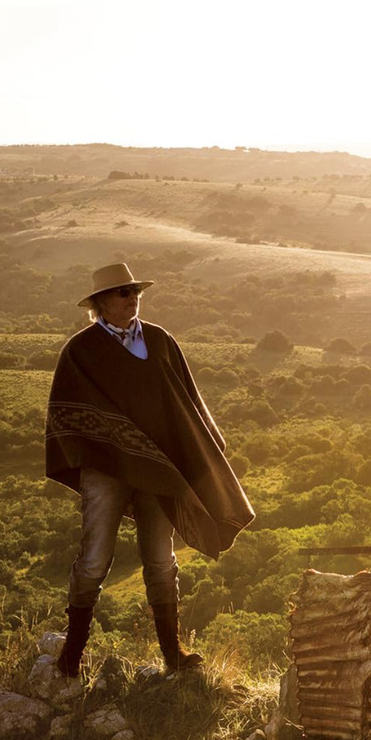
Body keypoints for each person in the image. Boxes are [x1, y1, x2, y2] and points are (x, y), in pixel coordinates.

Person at [44, 262, 254, 676]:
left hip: (160, 467)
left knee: (161, 558)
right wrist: (115, 443)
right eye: (122, 293)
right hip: (107, 468)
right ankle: (72, 654)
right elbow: (67, 413)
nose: (131, 297)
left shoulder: (159, 340)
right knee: (94, 558)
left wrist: (200, 450)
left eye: (134, 290)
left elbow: (185, 402)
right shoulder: (80, 351)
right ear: (100, 303)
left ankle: (173, 654)